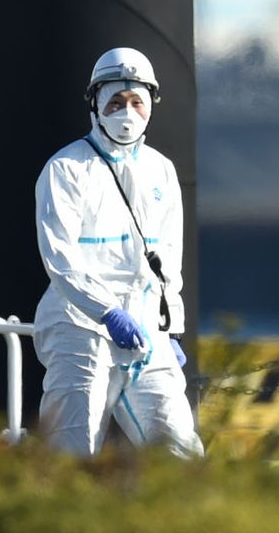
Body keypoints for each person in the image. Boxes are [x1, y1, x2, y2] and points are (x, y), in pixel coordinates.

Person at [33, 47, 202, 457]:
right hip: (81, 328)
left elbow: (169, 256)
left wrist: (171, 324)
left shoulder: (161, 169)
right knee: (72, 448)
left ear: (150, 108)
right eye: (115, 101)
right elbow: (61, 261)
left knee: (180, 451)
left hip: (145, 331)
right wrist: (106, 312)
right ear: (95, 103)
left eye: (136, 102)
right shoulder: (66, 169)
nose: (126, 112)